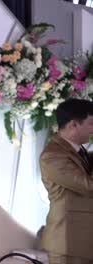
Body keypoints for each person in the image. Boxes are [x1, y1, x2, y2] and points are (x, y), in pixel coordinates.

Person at [39, 98, 93, 264]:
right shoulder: (52, 155)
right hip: (68, 242)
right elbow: (89, 186)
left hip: (82, 240)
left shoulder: (76, 149)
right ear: (73, 125)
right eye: (91, 123)